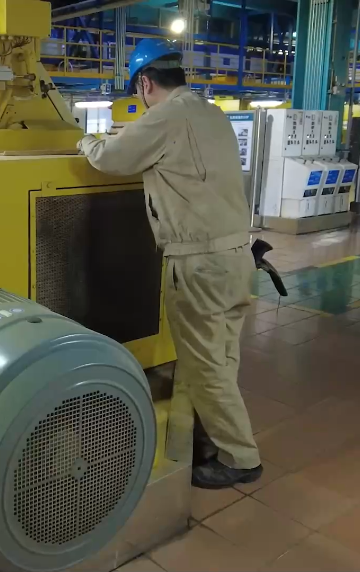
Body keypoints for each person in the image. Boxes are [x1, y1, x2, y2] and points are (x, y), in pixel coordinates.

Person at [77, 38, 262, 489]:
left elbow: (110, 157)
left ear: (145, 83)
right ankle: (207, 438)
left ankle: (240, 458)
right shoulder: (213, 113)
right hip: (238, 257)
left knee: (205, 365)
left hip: (200, 264)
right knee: (222, 359)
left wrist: (84, 140)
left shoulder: (166, 116)